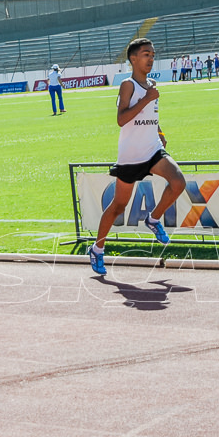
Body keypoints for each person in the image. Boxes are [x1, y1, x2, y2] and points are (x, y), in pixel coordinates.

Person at [88, 38, 186, 276]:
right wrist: (147, 98)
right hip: (131, 155)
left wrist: (159, 131)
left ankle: (153, 220)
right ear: (133, 58)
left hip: (152, 149)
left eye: (152, 54)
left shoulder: (151, 84)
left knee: (178, 182)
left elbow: (150, 115)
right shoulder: (128, 84)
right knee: (118, 206)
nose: (151, 58)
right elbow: (122, 119)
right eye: (146, 54)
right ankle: (97, 249)